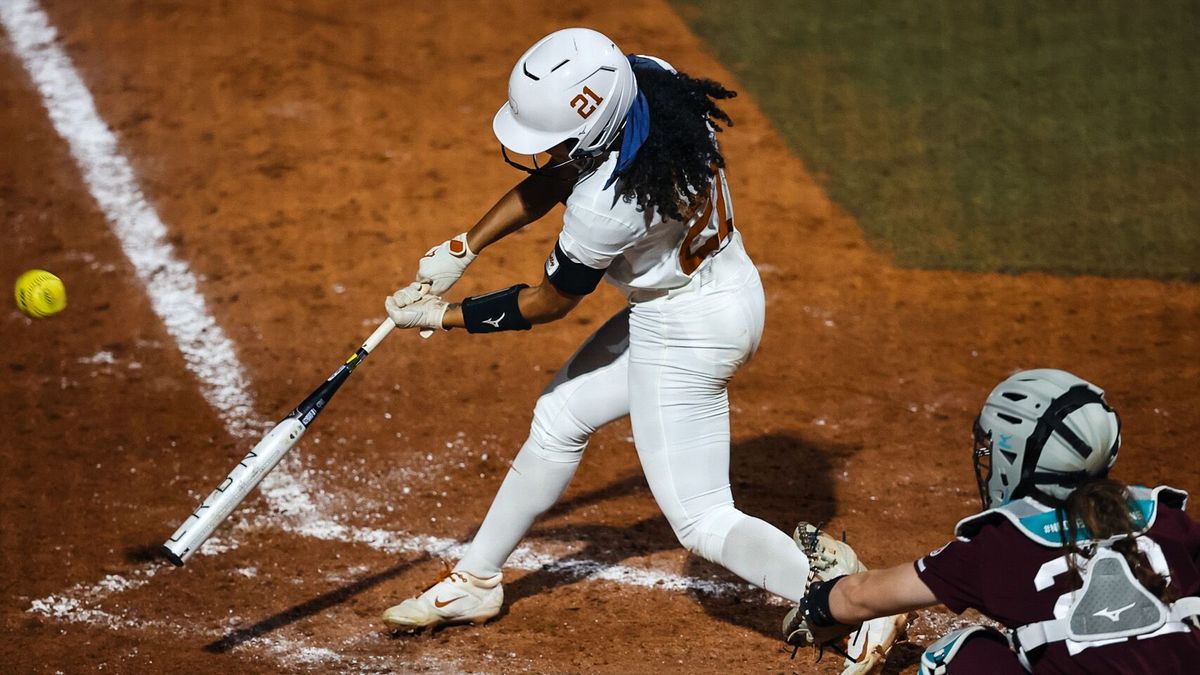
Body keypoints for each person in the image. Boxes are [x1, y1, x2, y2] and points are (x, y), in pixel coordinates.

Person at [375, 26, 825, 631]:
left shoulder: (605, 210)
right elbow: (567, 169)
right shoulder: (650, 81)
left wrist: (443, 316)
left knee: (701, 520)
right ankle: (477, 579)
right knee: (560, 417)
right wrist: (466, 245)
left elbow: (547, 304)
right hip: (722, 286)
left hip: (685, 331)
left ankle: (845, 595)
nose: (546, 148)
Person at [784, 368, 1200, 673]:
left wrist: (818, 605)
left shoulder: (1002, 544)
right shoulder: (1167, 518)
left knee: (955, 657)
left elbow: (861, 597)